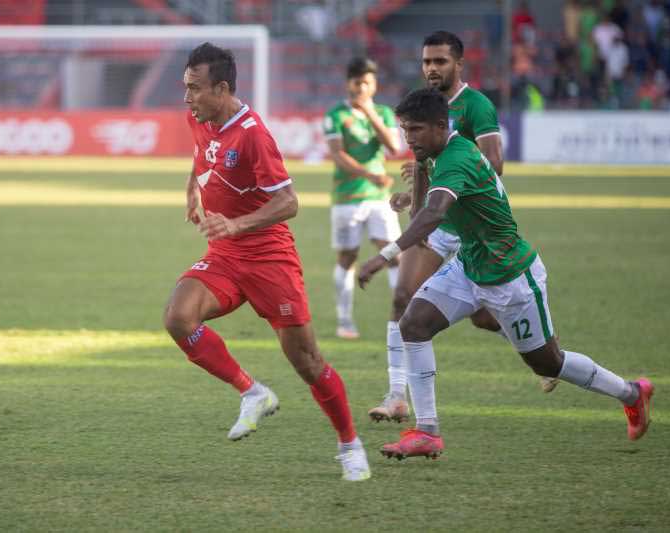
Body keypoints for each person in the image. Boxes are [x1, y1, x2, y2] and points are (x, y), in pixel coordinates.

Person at [358, 88, 654, 460]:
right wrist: (417, 176)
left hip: (510, 274)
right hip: (470, 265)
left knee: (548, 362)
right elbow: (424, 214)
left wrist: (383, 255)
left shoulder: (457, 157)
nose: (408, 139)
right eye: (405, 130)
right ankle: (427, 432)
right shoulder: (434, 156)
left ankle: (631, 393)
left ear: (439, 125)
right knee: (413, 324)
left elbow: (431, 216)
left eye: (415, 130)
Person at [163, 43, 371, 481]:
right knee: (179, 318)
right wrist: (191, 189)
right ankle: (252, 393)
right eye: (185, 87)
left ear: (222, 88)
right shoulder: (199, 116)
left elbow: (289, 202)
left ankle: (350, 444)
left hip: (268, 259)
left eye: (194, 89)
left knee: (308, 362)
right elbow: (201, 154)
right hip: (224, 255)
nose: (187, 98)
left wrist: (237, 226)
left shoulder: (254, 134)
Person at [374, 31, 556, 427]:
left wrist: (451, 178)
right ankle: (396, 395)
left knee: (484, 317)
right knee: (403, 296)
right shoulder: (423, 106)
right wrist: (414, 200)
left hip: (471, 222)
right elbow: (424, 165)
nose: (431, 69)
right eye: (426, 62)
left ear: (459, 64)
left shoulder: (476, 106)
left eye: (440, 61)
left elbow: (495, 163)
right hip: (439, 218)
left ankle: (540, 354)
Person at [323, 57, 402, 341]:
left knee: (395, 254)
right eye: (357, 82)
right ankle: (345, 320)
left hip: (380, 198)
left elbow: (394, 147)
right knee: (348, 256)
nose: (361, 87)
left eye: (367, 82)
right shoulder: (335, 115)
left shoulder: (383, 113)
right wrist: (370, 176)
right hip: (347, 198)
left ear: (374, 84)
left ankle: (401, 317)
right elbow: (337, 154)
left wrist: (370, 114)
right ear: (348, 83)